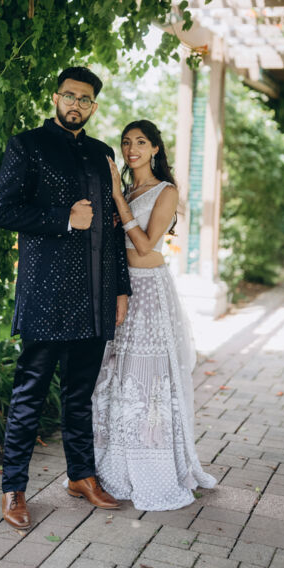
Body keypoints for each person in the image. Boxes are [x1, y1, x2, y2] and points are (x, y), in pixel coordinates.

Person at [0, 66, 131, 529]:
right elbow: (3, 211)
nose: (76, 104)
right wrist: (64, 217)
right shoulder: (27, 145)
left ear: (94, 105)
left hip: (95, 294)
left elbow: (112, 228)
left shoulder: (102, 153)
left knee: (80, 393)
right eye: (70, 96)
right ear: (55, 97)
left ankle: (80, 477)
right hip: (47, 294)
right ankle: (13, 489)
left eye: (85, 99)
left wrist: (121, 289)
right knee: (29, 394)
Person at [92, 119, 216, 511]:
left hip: (148, 290)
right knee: (116, 375)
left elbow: (145, 246)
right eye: (126, 142)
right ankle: (115, 465)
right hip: (119, 287)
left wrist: (117, 197)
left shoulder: (166, 191)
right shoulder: (127, 190)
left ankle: (154, 464)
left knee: (146, 379)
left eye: (141, 142)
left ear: (155, 149)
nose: (132, 150)